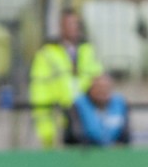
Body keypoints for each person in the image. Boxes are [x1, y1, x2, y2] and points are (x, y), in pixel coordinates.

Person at [29, 8, 103, 149]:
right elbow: (39, 89)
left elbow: (97, 79)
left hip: (85, 117)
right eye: (69, 24)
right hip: (60, 116)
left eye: (76, 24)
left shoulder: (87, 50)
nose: (73, 28)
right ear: (61, 27)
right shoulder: (46, 54)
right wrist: (46, 129)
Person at [65, 73, 131, 146]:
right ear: (91, 89)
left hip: (114, 152)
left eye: (106, 88)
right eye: (99, 88)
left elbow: (125, 134)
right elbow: (77, 134)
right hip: (86, 152)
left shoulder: (119, 104)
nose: (102, 91)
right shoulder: (78, 105)